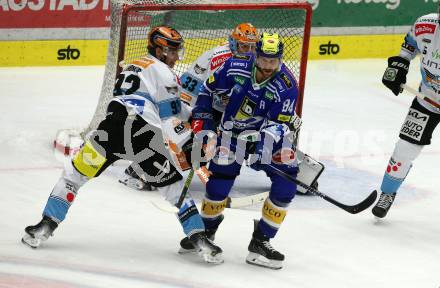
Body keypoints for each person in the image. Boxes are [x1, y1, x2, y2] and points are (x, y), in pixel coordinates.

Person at [21, 26, 223, 264]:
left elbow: (163, 105)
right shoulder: (165, 73)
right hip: (142, 135)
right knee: (175, 189)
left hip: (110, 131)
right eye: (173, 51)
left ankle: (44, 226)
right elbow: (169, 120)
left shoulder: (133, 65)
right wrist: (192, 143)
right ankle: (200, 239)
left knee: (73, 176)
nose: (177, 57)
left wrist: (191, 115)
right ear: (159, 49)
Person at [181, 32, 301, 269]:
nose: (268, 66)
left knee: (287, 184)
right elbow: (207, 91)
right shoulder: (235, 66)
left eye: (273, 61)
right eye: (264, 60)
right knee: (218, 184)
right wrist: (204, 121)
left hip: (269, 138)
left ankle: (261, 241)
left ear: (280, 59)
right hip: (231, 134)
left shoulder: (287, 85)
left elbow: (282, 123)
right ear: (256, 55)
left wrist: (261, 142)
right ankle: (207, 231)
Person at [120, 23, 259, 190]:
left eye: (253, 46)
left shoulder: (250, 57)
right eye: (245, 46)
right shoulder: (222, 58)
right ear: (234, 43)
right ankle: (139, 170)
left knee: (203, 142)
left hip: (197, 104)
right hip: (190, 103)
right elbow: (220, 98)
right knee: (192, 143)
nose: (249, 51)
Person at [372, 5, 440, 218]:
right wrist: (400, 64)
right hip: (428, 100)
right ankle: (387, 193)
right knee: (404, 149)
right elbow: (410, 44)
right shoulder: (425, 25)